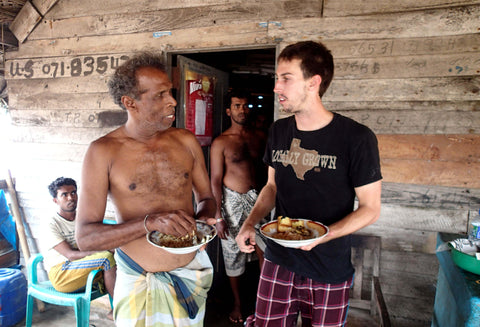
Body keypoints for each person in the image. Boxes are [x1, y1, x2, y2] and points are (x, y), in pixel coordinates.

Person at [235, 41, 382, 327]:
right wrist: (250, 223)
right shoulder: (279, 131)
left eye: (286, 78)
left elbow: (370, 208)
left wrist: (323, 236)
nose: (277, 87)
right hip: (278, 261)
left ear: (313, 82)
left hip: (328, 267)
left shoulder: (356, 137)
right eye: (277, 79)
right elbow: (271, 187)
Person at [75, 52, 217, 327]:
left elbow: (207, 198)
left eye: (171, 92)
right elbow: (86, 238)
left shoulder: (186, 141)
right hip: (138, 281)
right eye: (160, 95)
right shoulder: (103, 152)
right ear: (130, 103)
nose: (173, 101)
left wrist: (202, 223)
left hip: (192, 274)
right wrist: (149, 223)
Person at [210, 89, 268, 324]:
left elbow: (268, 174)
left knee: (265, 249)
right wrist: (218, 215)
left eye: (245, 106)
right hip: (231, 202)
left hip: (259, 201)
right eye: (237, 106)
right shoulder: (221, 142)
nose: (242, 110)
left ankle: (265, 302)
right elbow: (214, 179)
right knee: (232, 253)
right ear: (228, 111)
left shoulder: (260, 136)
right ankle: (236, 303)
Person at [42, 177, 116, 320]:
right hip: (61, 274)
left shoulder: (83, 218)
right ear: (55, 200)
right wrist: (106, 251)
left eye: (73, 192)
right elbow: (70, 255)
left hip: (82, 268)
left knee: (119, 255)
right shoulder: (51, 223)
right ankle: (117, 309)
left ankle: (129, 305)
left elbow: (96, 240)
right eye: (64, 194)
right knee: (107, 258)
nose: (71, 197)